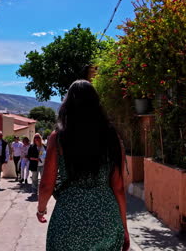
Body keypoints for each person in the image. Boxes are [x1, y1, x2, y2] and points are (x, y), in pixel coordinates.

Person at [37, 80, 130, 251]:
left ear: (68, 104)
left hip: (68, 223)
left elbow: (46, 185)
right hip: (107, 221)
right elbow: (118, 187)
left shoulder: (58, 138)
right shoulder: (112, 137)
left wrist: (41, 210)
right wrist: (124, 227)